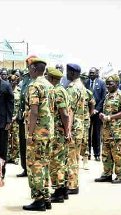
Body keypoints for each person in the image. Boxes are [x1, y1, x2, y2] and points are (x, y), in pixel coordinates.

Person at [22, 58, 53, 211]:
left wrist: (29, 133)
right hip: (48, 132)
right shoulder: (49, 85)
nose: (28, 70)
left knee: (35, 166)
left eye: (29, 68)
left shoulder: (34, 86)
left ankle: (39, 199)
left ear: (34, 69)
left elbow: (34, 111)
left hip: (38, 133)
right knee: (45, 164)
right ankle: (46, 197)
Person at [95, 74, 121, 184]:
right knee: (106, 153)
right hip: (106, 130)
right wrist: (102, 115)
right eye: (107, 84)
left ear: (117, 84)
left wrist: (110, 117)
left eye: (111, 84)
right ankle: (107, 174)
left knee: (117, 153)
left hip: (117, 131)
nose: (108, 86)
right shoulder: (107, 96)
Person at [45, 67, 71, 203]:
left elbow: (65, 114)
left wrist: (67, 132)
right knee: (62, 161)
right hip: (61, 131)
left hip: (58, 132)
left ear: (52, 78)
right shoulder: (62, 90)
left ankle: (59, 191)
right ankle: (64, 190)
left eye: (47, 77)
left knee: (57, 162)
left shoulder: (57, 91)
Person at [65, 63, 85, 195]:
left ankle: (72, 185)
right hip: (80, 125)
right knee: (75, 157)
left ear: (72, 73)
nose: (66, 75)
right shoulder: (81, 86)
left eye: (68, 72)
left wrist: (67, 130)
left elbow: (70, 111)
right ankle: (74, 183)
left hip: (73, 127)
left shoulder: (72, 88)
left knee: (71, 157)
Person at [16, 55, 37, 177]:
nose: (28, 68)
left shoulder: (38, 80)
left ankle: (33, 168)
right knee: (23, 144)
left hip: (33, 119)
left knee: (33, 144)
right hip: (22, 118)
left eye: (29, 66)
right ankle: (25, 167)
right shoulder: (25, 79)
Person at [84, 67, 107, 161]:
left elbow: (103, 97)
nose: (91, 74)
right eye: (90, 73)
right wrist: (89, 110)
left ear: (97, 74)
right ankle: (87, 153)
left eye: (93, 73)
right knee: (87, 133)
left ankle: (97, 154)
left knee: (96, 133)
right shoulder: (85, 82)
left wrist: (96, 109)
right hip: (87, 112)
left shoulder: (101, 83)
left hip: (97, 113)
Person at [7, 74, 21, 164]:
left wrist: (16, 116)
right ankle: (8, 156)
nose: (12, 82)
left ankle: (15, 156)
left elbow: (21, 106)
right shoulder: (6, 90)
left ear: (17, 81)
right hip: (7, 118)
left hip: (16, 119)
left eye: (14, 81)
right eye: (11, 81)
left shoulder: (19, 91)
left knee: (16, 138)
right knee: (7, 137)